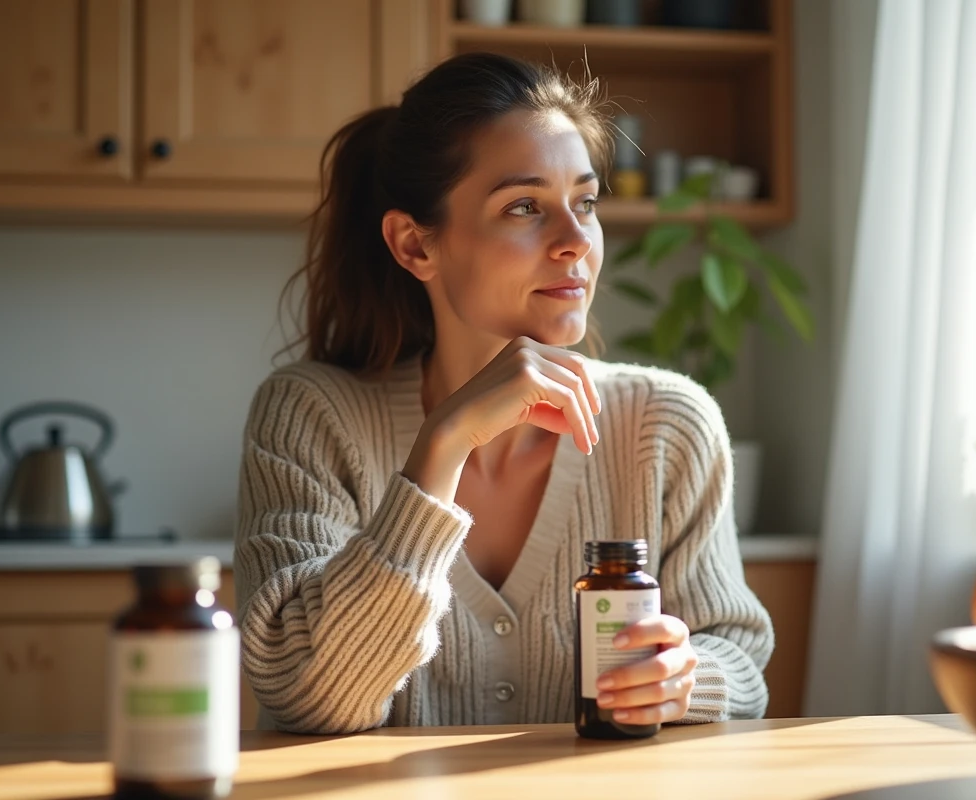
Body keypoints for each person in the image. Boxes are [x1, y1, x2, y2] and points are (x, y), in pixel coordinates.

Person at [234, 52, 774, 735]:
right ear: (413, 245)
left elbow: (742, 660)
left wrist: (687, 678)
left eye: (585, 203)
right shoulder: (311, 416)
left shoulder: (667, 424)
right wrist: (442, 448)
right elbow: (305, 695)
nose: (576, 242)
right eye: (525, 206)